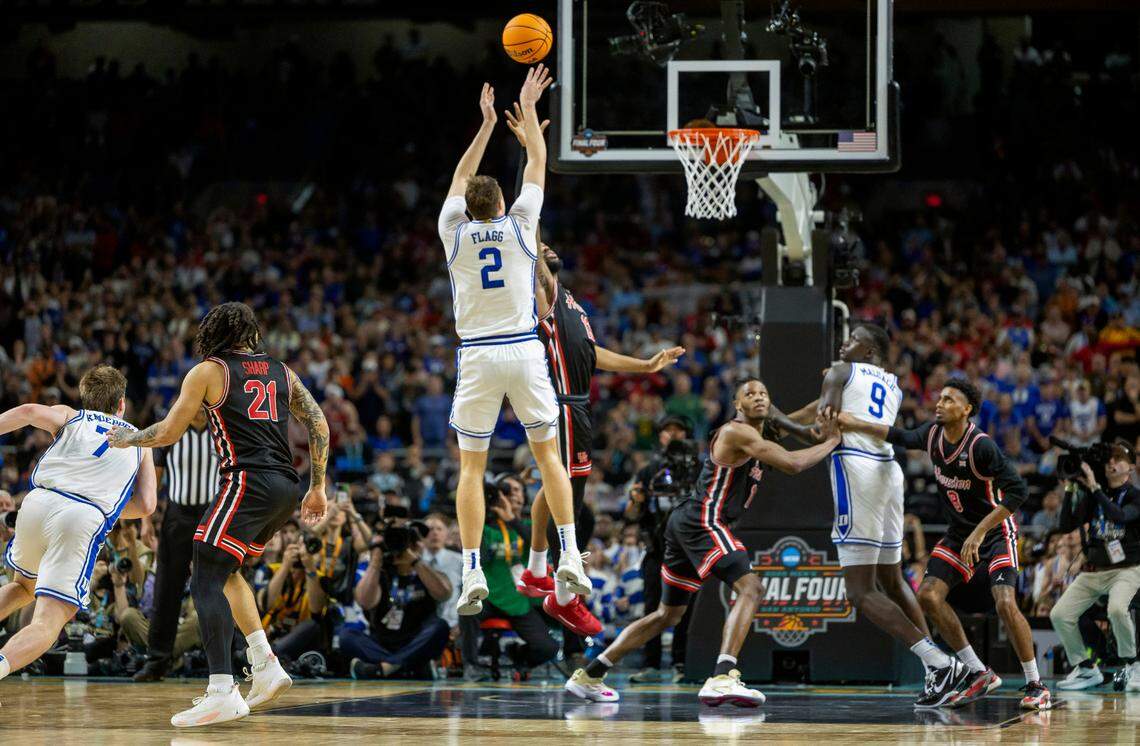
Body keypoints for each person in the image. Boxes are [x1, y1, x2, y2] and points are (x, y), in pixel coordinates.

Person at [107, 302, 329, 727]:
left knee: (205, 570)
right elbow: (318, 423)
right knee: (226, 572)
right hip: (286, 486)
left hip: (248, 480)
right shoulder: (282, 371)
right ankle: (264, 664)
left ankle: (221, 688)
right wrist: (318, 486)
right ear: (252, 333)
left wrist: (128, 439)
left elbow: (169, 431)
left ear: (213, 333)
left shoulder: (209, 371)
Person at [564, 379, 840, 707]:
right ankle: (723, 676)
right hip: (703, 520)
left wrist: (830, 394)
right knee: (752, 588)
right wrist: (833, 441)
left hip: (684, 523)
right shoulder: (738, 432)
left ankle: (590, 674)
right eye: (749, 394)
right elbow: (793, 464)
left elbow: (800, 418)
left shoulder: (758, 430)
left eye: (763, 393)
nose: (758, 397)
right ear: (737, 404)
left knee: (667, 615)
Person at [438, 66, 588, 616]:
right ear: (501, 204)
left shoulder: (452, 230)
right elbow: (538, 166)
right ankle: (567, 552)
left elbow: (459, 179)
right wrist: (527, 115)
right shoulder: (522, 223)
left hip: (477, 355)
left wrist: (482, 127)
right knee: (549, 457)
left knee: (471, 468)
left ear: (467, 208)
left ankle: (472, 568)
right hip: (525, 349)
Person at [838, 378, 1052, 711]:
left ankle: (1036, 684)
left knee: (1004, 603)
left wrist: (980, 532)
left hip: (994, 532)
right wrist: (854, 423)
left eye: (949, 400)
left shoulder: (981, 446)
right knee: (928, 595)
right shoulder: (933, 434)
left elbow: (1018, 493)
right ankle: (979, 672)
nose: (939, 403)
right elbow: (901, 436)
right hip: (958, 533)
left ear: (966, 410)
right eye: (940, 398)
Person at [808, 323, 975, 708]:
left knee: (860, 592)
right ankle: (938, 669)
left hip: (856, 469)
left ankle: (939, 663)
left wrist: (775, 429)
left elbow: (823, 428)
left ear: (869, 351)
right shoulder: (893, 383)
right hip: (888, 469)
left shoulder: (839, 370)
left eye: (852, 340)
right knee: (893, 579)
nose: (844, 343)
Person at [0, 366, 157, 693]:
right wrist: (104, 506)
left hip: (37, 501)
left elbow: (29, 411)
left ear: (84, 397)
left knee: (21, 588)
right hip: (82, 514)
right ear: (121, 404)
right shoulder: (139, 440)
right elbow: (146, 505)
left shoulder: (71, 415)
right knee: (49, 620)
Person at [134, 406, 220, 682]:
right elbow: (154, 480)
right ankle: (157, 660)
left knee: (219, 588)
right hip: (177, 516)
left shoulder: (222, 431)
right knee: (166, 589)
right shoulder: (172, 429)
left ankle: (225, 660)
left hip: (212, 514)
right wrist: (147, 521)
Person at [1050, 440, 1140, 692]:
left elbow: (1119, 516)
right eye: (1109, 459)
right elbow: (1066, 524)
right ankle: (1086, 668)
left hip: (1128, 569)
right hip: (1096, 570)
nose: (1112, 463)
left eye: (1119, 459)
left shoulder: (1135, 496)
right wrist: (1070, 486)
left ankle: (1132, 664)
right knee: (1060, 614)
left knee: (1117, 610)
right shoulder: (1093, 495)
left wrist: (1094, 487)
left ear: (1130, 467)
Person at [347, 523, 453, 679]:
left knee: (441, 626)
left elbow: (444, 594)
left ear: (416, 547)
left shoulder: (427, 572)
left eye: (406, 544)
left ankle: (383, 668)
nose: (399, 549)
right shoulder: (381, 573)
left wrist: (416, 561)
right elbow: (364, 601)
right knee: (347, 634)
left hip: (416, 640)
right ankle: (407, 666)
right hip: (383, 641)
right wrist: (375, 561)